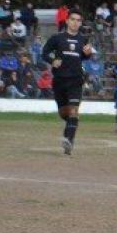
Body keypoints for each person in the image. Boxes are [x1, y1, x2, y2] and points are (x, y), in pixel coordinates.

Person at [42, 9, 94, 155]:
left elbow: (82, 57)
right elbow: (44, 53)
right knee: (64, 113)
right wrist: (53, 61)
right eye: (73, 19)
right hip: (59, 81)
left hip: (76, 80)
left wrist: (88, 54)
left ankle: (69, 141)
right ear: (67, 21)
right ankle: (71, 127)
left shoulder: (83, 39)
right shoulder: (57, 38)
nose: (75, 22)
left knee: (73, 111)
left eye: (78, 20)